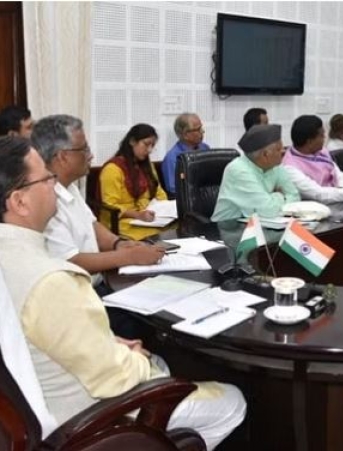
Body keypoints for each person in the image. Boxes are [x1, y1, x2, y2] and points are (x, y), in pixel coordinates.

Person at [0, 136, 246, 449]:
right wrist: (135, 356)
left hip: (45, 393)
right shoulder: (51, 281)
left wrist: (110, 342)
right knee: (231, 401)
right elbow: (113, 379)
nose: (54, 185)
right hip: (82, 419)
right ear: (20, 202)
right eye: (46, 179)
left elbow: (48, 332)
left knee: (160, 363)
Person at [31, 115, 165, 336]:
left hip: (98, 283)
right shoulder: (44, 199)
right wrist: (129, 256)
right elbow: (71, 261)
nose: (91, 155)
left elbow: (92, 224)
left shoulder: (69, 186)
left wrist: (118, 243)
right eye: (84, 149)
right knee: (145, 326)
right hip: (76, 299)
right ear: (63, 156)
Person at [282, 115, 343, 203]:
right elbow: (319, 194)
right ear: (310, 141)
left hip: (338, 202)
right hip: (315, 209)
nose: (325, 137)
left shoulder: (321, 152)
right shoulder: (289, 167)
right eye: (321, 135)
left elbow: (339, 176)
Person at [211, 124, 300, 221]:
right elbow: (267, 210)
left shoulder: (276, 165)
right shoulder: (238, 170)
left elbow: (295, 197)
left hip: (264, 224)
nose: (283, 151)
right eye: (279, 149)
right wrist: (281, 196)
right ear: (265, 155)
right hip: (228, 226)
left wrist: (271, 200)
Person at [99, 124, 169, 240]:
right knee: (154, 234)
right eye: (146, 144)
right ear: (132, 141)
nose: (150, 150)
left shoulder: (148, 166)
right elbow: (110, 205)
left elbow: (159, 192)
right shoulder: (113, 169)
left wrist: (166, 210)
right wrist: (138, 215)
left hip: (149, 216)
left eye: (152, 146)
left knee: (177, 226)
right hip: (123, 221)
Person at [162, 113, 210, 196]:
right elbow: (173, 189)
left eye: (201, 127)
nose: (202, 131)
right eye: (198, 129)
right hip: (188, 199)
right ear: (185, 135)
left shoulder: (205, 148)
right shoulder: (172, 158)